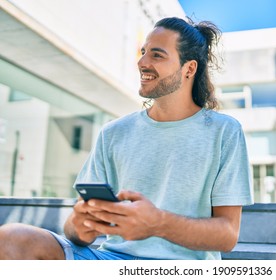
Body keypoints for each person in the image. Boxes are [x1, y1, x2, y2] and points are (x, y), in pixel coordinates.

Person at [0, 16, 253, 260]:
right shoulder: (113, 132)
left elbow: (228, 234)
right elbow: (75, 230)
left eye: (157, 54)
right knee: (11, 238)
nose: (142, 62)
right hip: (110, 259)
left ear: (189, 68)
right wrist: (81, 224)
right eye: (143, 52)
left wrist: (158, 223)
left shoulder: (223, 132)